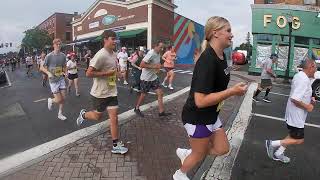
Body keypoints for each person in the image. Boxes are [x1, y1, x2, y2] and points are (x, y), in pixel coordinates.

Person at [173, 16, 248, 180]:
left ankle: (191, 152)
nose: (232, 35)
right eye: (228, 30)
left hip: (212, 115)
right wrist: (232, 92)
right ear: (215, 33)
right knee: (199, 155)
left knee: (222, 149)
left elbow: (220, 79)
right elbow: (200, 101)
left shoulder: (221, 56)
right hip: (197, 117)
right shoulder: (207, 60)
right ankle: (180, 174)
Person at [76, 30, 128, 155]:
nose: (115, 41)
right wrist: (107, 73)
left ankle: (115, 145)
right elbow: (88, 73)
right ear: (105, 39)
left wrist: (118, 74)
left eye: (115, 39)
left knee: (114, 118)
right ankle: (83, 115)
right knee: (96, 116)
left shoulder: (115, 54)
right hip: (99, 93)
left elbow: (113, 71)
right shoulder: (101, 55)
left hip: (112, 92)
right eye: (112, 38)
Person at [265, 58, 316, 164]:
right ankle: (272, 144)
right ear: (311, 66)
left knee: (292, 135)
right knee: (299, 139)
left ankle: (278, 153)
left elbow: (300, 93)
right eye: (315, 67)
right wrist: (308, 107)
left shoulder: (300, 76)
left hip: (295, 114)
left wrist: (310, 98)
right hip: (296, 115)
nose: (316, 70)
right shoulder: (304, 79)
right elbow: (295, 99)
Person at [133, 40, 172, 118]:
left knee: (160, 93)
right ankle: (136, 108)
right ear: (155, 46)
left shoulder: (158, 54)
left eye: (163, 48)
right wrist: (154, 66)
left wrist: (159, 69)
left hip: (153, 78)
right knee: (143, 94)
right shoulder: (151, 53)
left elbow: (156, 65)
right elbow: (142, 65)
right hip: (146, 78)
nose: (162, 49)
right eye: (160, 47)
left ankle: (161, 112)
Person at [41, 38, 68, 121]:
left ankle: (60, 114)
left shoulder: (63, 55)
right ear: (54, 45)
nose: (58, 46)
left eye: (60, 44)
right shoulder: (49, 56)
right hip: (53, 81)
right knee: (58, 99)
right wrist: (48, 73)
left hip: (61, 79)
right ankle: (51, 100)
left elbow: (65, 66)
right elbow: (42, 68)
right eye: (57, 44)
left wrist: (65, 72)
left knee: (63, 98)